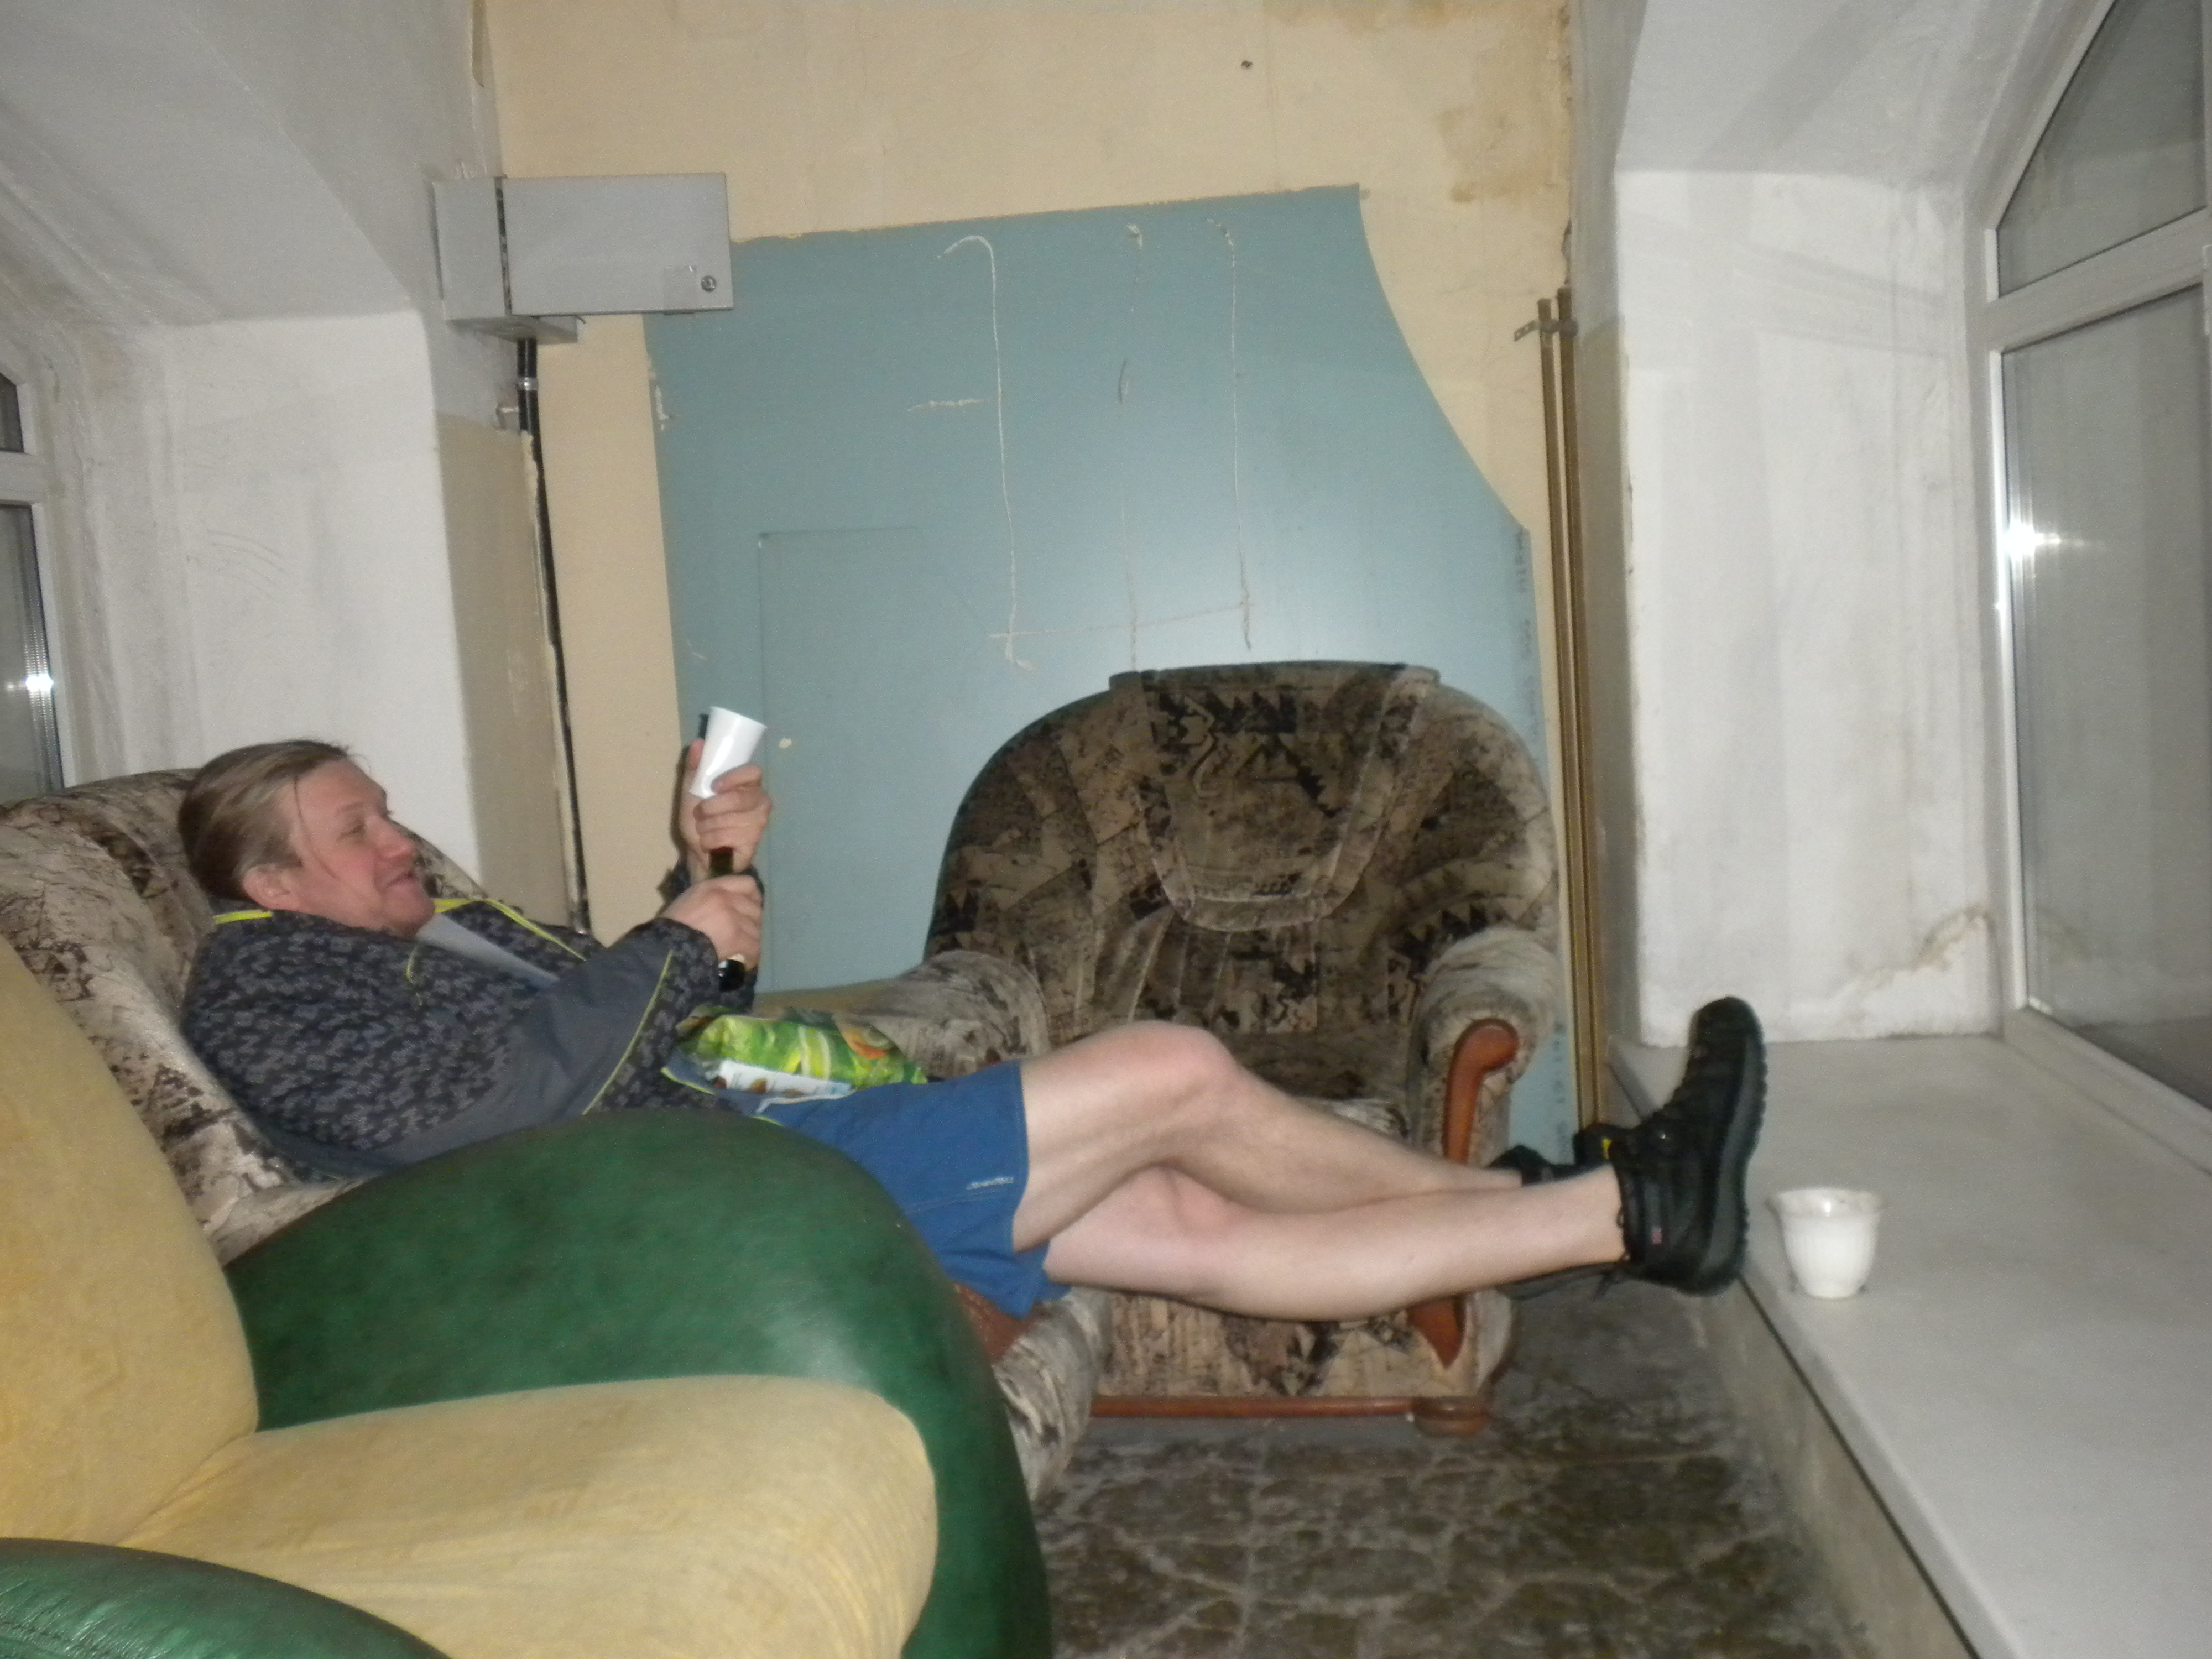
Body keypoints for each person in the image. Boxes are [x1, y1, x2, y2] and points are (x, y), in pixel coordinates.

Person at [178, 737, 1766, 1328]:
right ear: (269, 880)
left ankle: (1603, 1216)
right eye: (356, 826)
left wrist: (708, 874)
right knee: (1171, 1069)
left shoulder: (430, 944)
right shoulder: (265, 986)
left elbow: (640, 1036)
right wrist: (676, 937)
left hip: (713, 1155)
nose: (400, 838)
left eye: (388, 809)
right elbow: (482, 1118)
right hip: (684, 1213)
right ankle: (1605, 1201)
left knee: (1184, 1219)